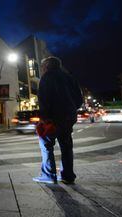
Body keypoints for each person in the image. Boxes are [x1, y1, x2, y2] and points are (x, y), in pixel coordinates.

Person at [33, 56, 83, 184]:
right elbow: (79, 100)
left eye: (43, 67)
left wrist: (44, 118)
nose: (42, 69)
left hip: (53, 118)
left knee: (46, 144)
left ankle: (49, 175)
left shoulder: (46, 77)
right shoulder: (70, 78)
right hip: (68, 117)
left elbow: (44, 99)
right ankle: (68, 176)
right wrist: (71, 109)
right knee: (66, 146)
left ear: (47, 66)